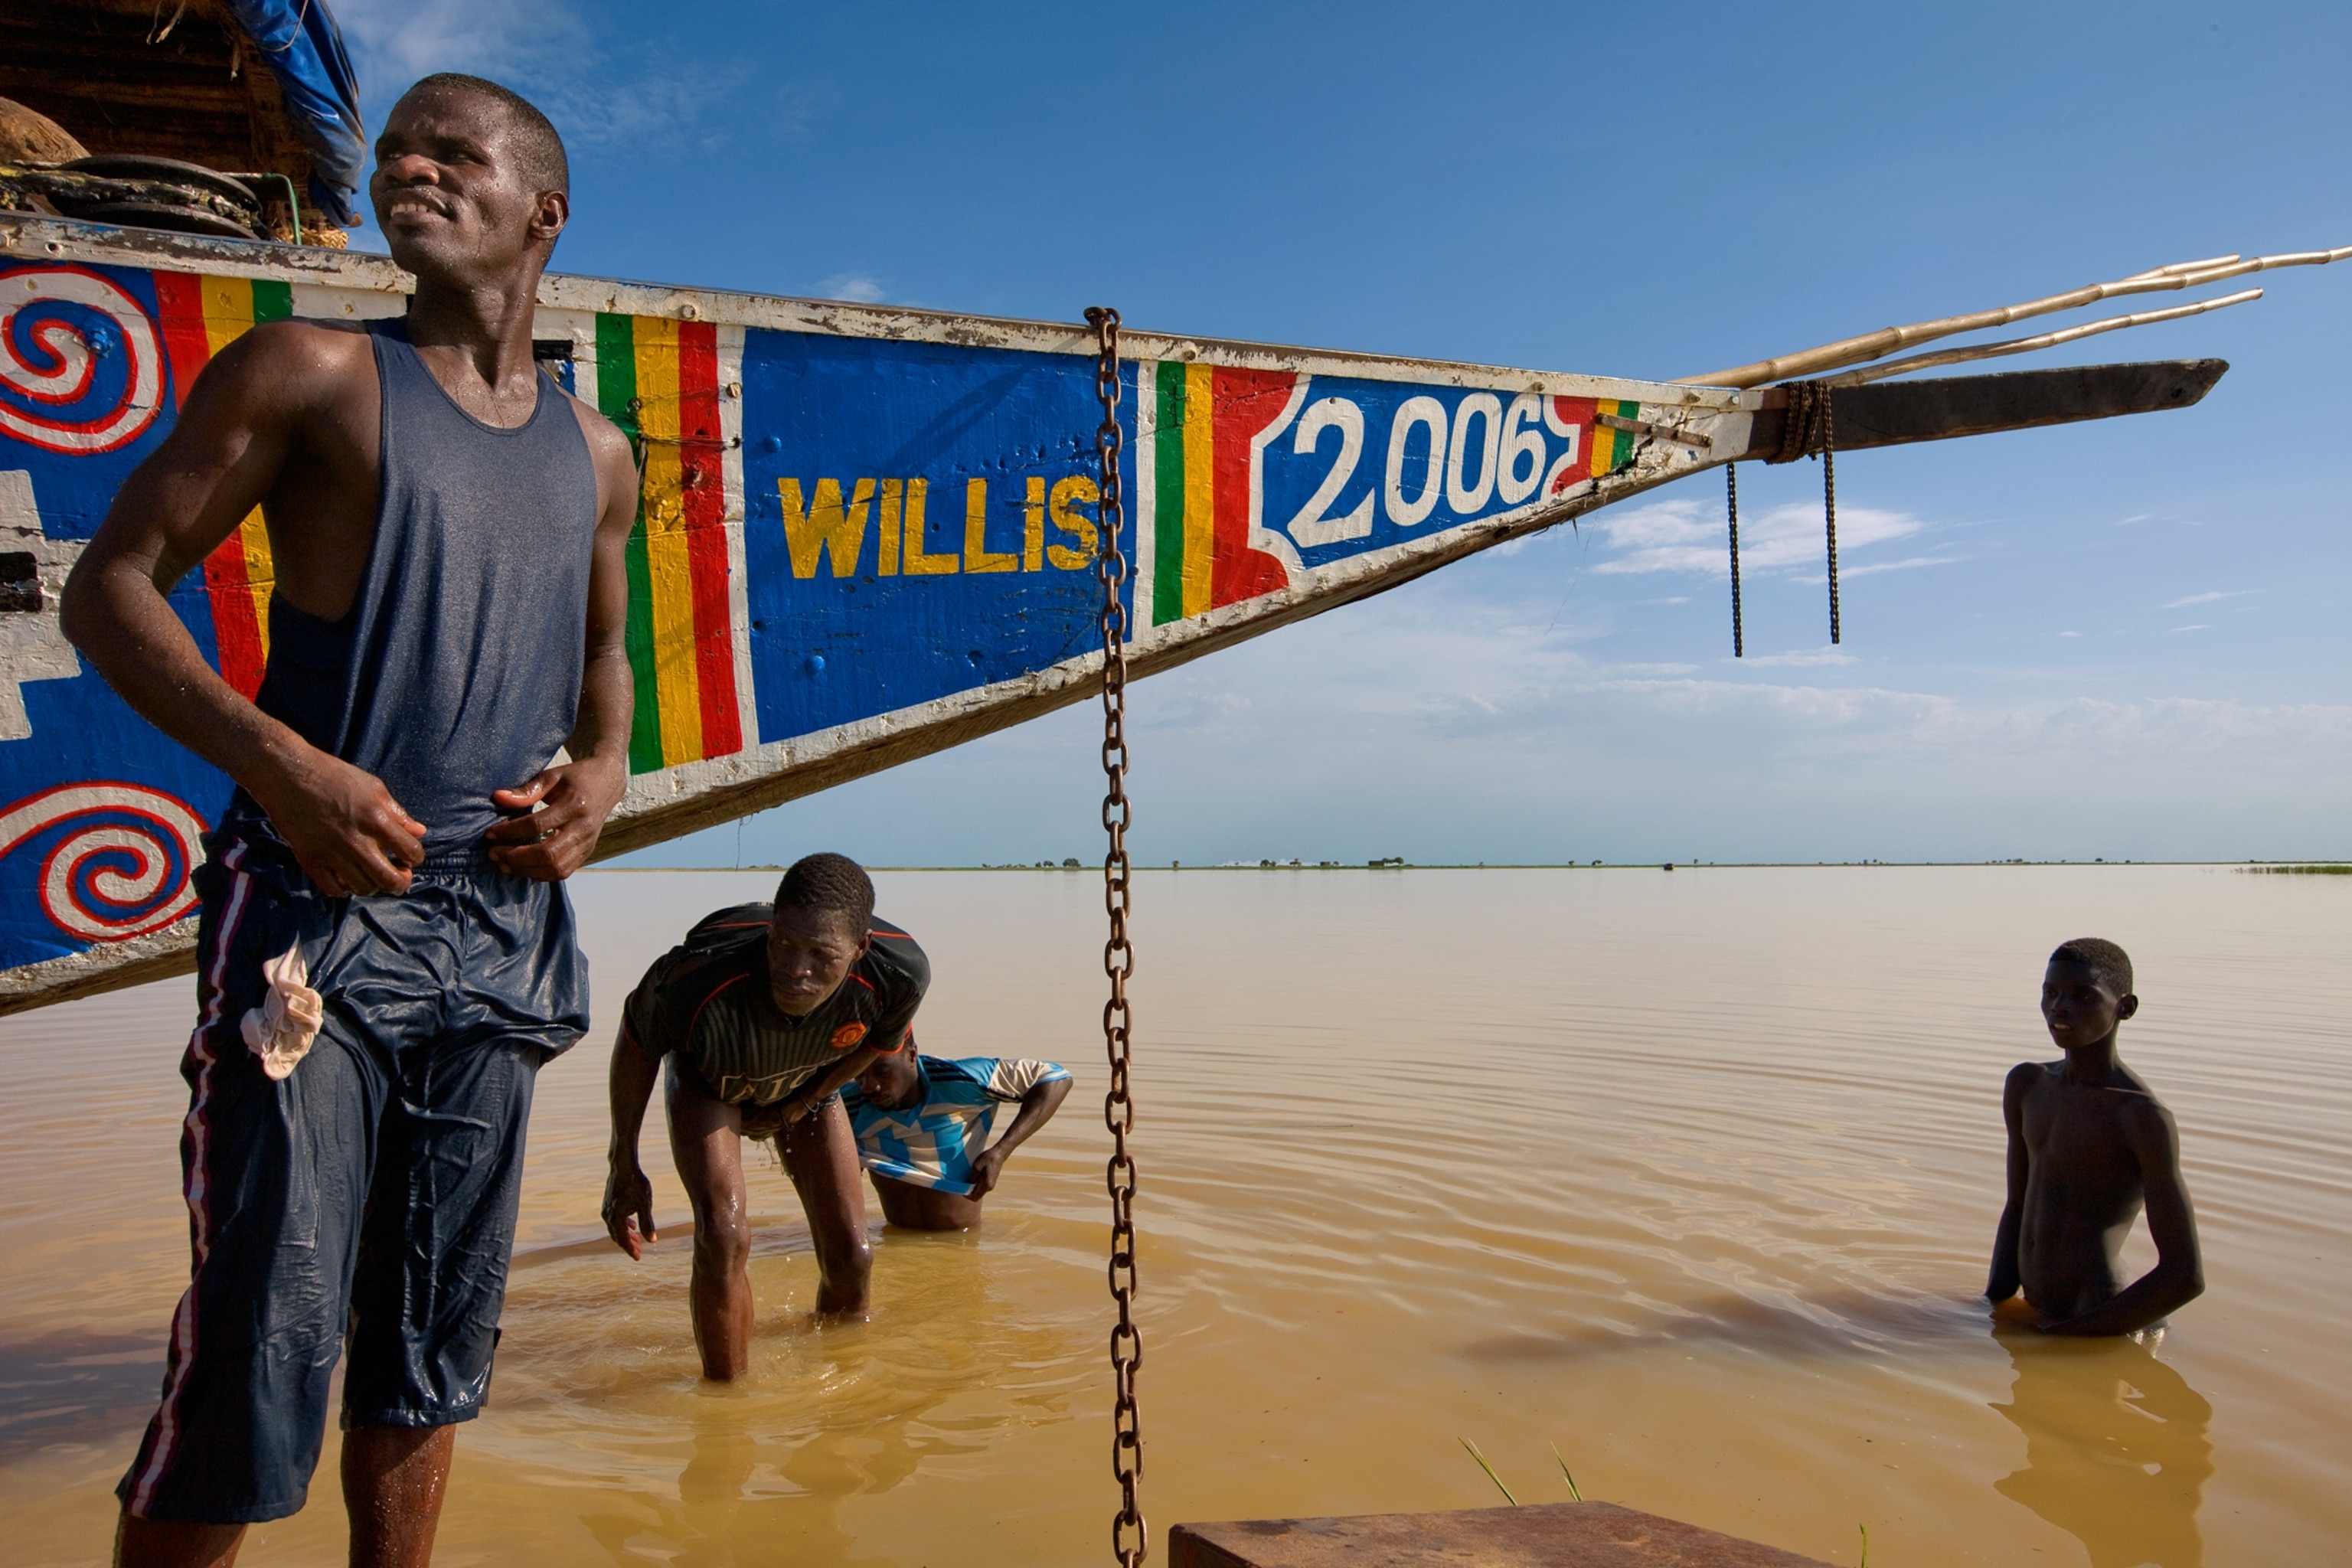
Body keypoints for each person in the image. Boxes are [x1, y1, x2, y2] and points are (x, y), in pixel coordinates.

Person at [59, 74, 638, 1568]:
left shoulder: (601, 454)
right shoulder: (306, 373)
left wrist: (605, 774)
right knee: (261, 1334)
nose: (412, 171)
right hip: (316, 922)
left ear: (544, 214)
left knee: (439, 1333)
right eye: (397, 152)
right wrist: (284, 769)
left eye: (457, 154)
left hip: (504, 932)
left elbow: (603, 663)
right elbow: (111, 584)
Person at [603, 854, 925, 1378]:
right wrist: (624, 1164)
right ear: (772, 926)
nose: (797, 971)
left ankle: (841, 1382)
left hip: (809, 1084)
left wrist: (798, 1104)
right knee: (724, 1233)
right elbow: (638, 1042)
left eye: (822, 956)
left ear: (860, 950)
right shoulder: (699, 971)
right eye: (784, 945)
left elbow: (878, 1046)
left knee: (854, 1255)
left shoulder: (898, 974)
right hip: (710, 1075)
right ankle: (726, 1407)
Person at [1985, 938, 2204, 1337]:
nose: (2060, 1007)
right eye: (2050, 993)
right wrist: (1993, 1307)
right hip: (2039, 1317)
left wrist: (2063, 1339)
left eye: (2083, 996)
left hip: (2105, 1322)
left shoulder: (2140, 1117)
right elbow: (2017, 1206)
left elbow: (2184, 1276)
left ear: (2125, 1007)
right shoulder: (2028, 1085)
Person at [841, 1046, 1071, 1230]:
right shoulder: (850, 1105)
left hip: (960, 1242)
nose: (869, 1086)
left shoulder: (959, 1081)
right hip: (897, 1245)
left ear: (911, 1055)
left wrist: (1001, 1151)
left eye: (882, 1070)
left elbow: (1056, 1078)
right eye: (859, 1074)